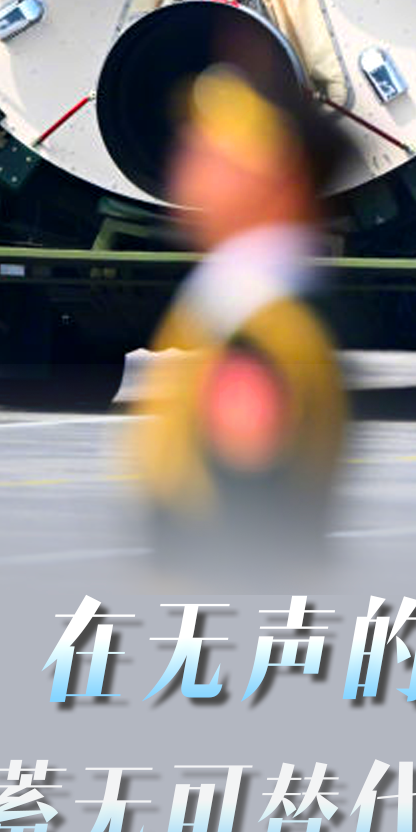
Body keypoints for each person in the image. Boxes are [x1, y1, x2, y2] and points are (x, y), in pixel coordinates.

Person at [132, 57, 349, 567]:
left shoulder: (255, 331)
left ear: (282, 179)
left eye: (215, 156)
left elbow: (247, 498)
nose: (189, 169)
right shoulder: (261, 307)